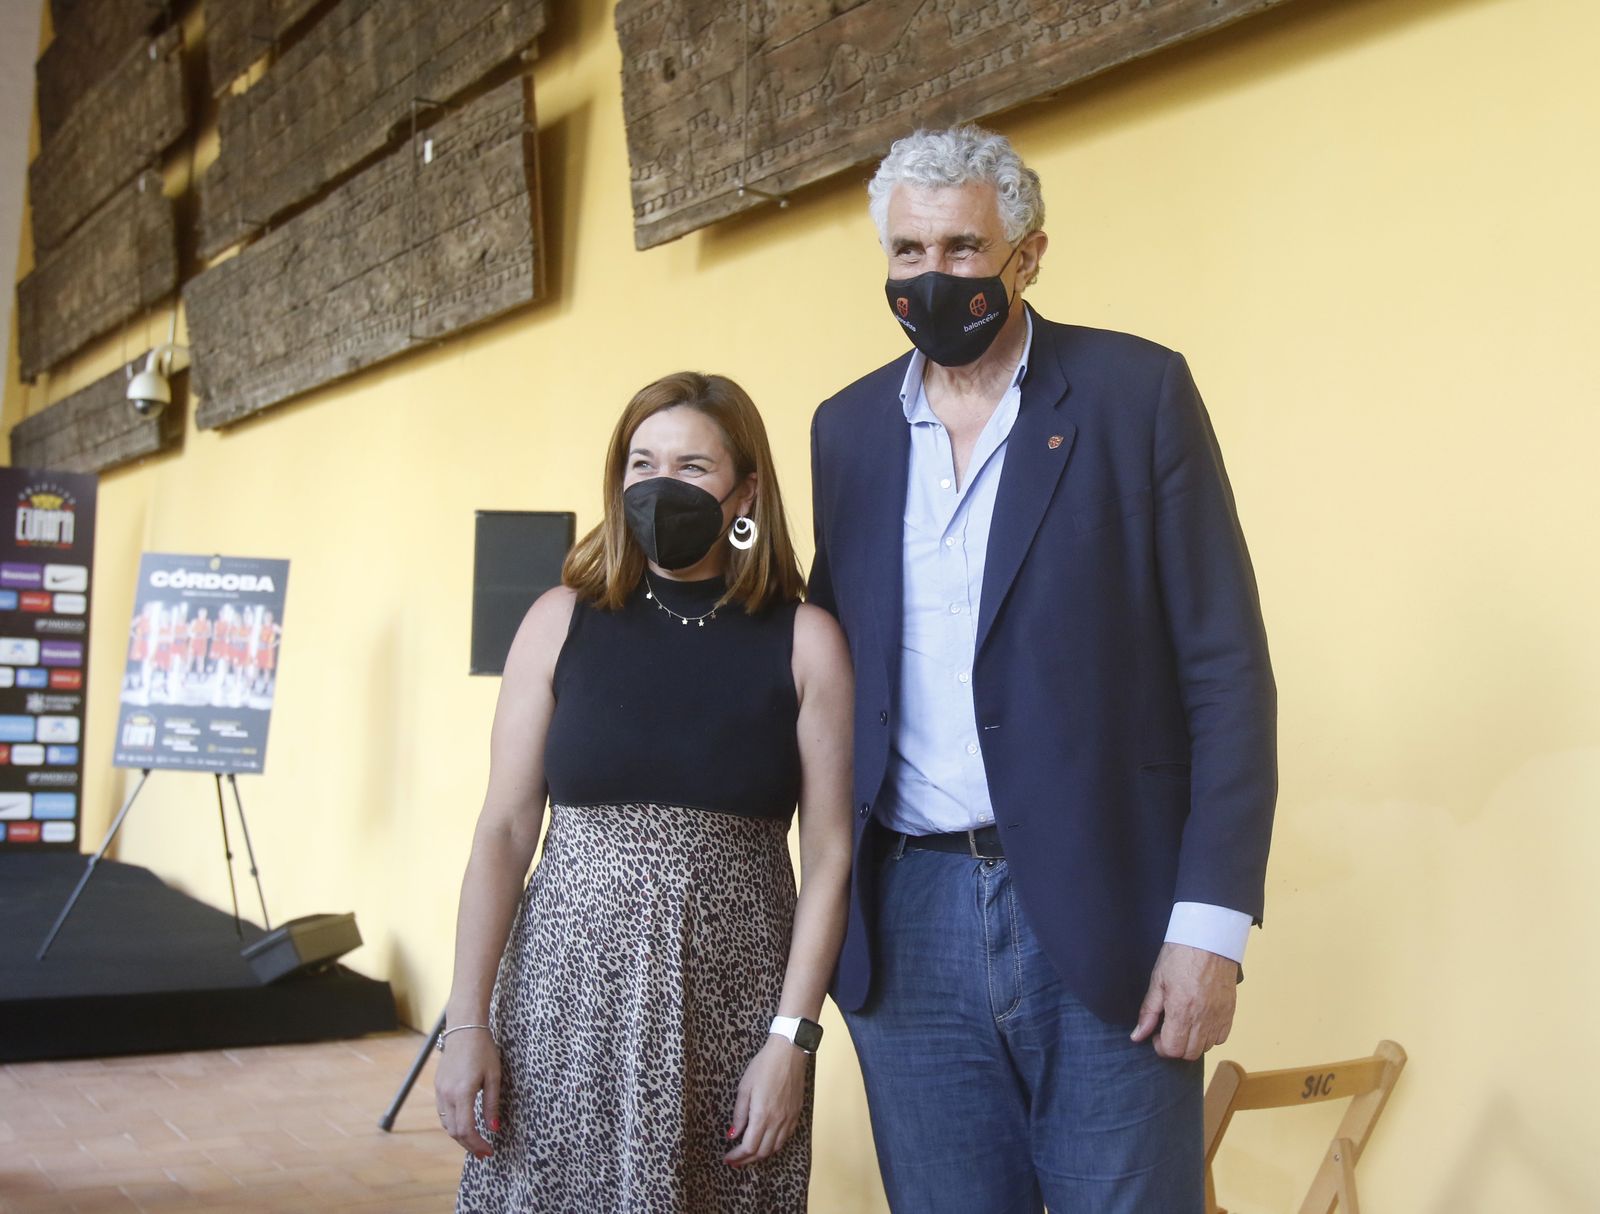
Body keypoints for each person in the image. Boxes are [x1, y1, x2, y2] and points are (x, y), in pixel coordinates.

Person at [808, 126, 1277, 1212]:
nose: (934, 277)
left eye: (964, 248)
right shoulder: (847, 433)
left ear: (1028, 254)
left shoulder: (1135, 395)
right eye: (909, 252)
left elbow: (1226, 672)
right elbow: (827, 670)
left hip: (1109, 908)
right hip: (907, 917)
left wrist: (1209, 930)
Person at [437, 372, 854, 1213]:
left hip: (731, 1020)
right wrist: (466, 1023)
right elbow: (504, 833)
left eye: (693, 467)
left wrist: (792, 1043)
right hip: (561, 1010)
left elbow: (832, 855)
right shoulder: (560, 622)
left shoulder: (805, 642)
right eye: (641, 462)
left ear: (746, 490)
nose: (661, 486)